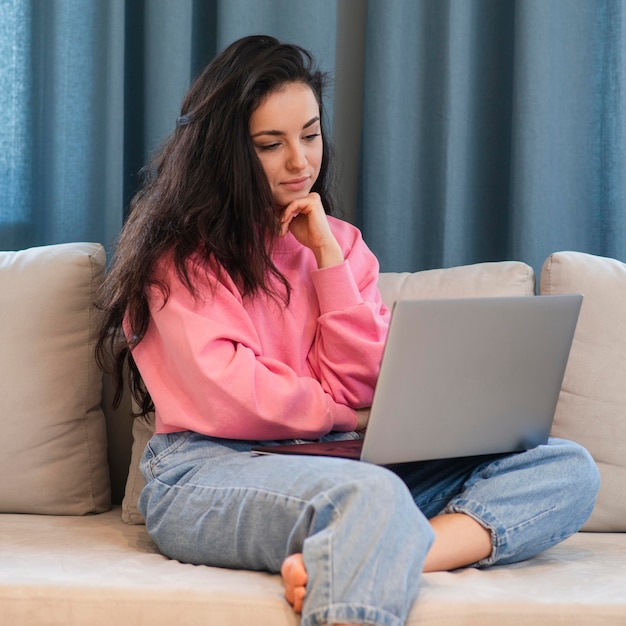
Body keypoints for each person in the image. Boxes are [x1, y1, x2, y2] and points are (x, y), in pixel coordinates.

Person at [96, 35, 600, 626]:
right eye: (270, 144)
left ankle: (389, 551)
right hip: (207, 468)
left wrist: (329, 264)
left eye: (309, 135)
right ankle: (374, 540)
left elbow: (364, 386)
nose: (300, 162)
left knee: (564, 465)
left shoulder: (342, 246)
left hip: (350, 467)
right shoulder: (177, 261)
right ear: (225, 153)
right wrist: (346, 414)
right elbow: (231, 397)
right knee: (370, 498)